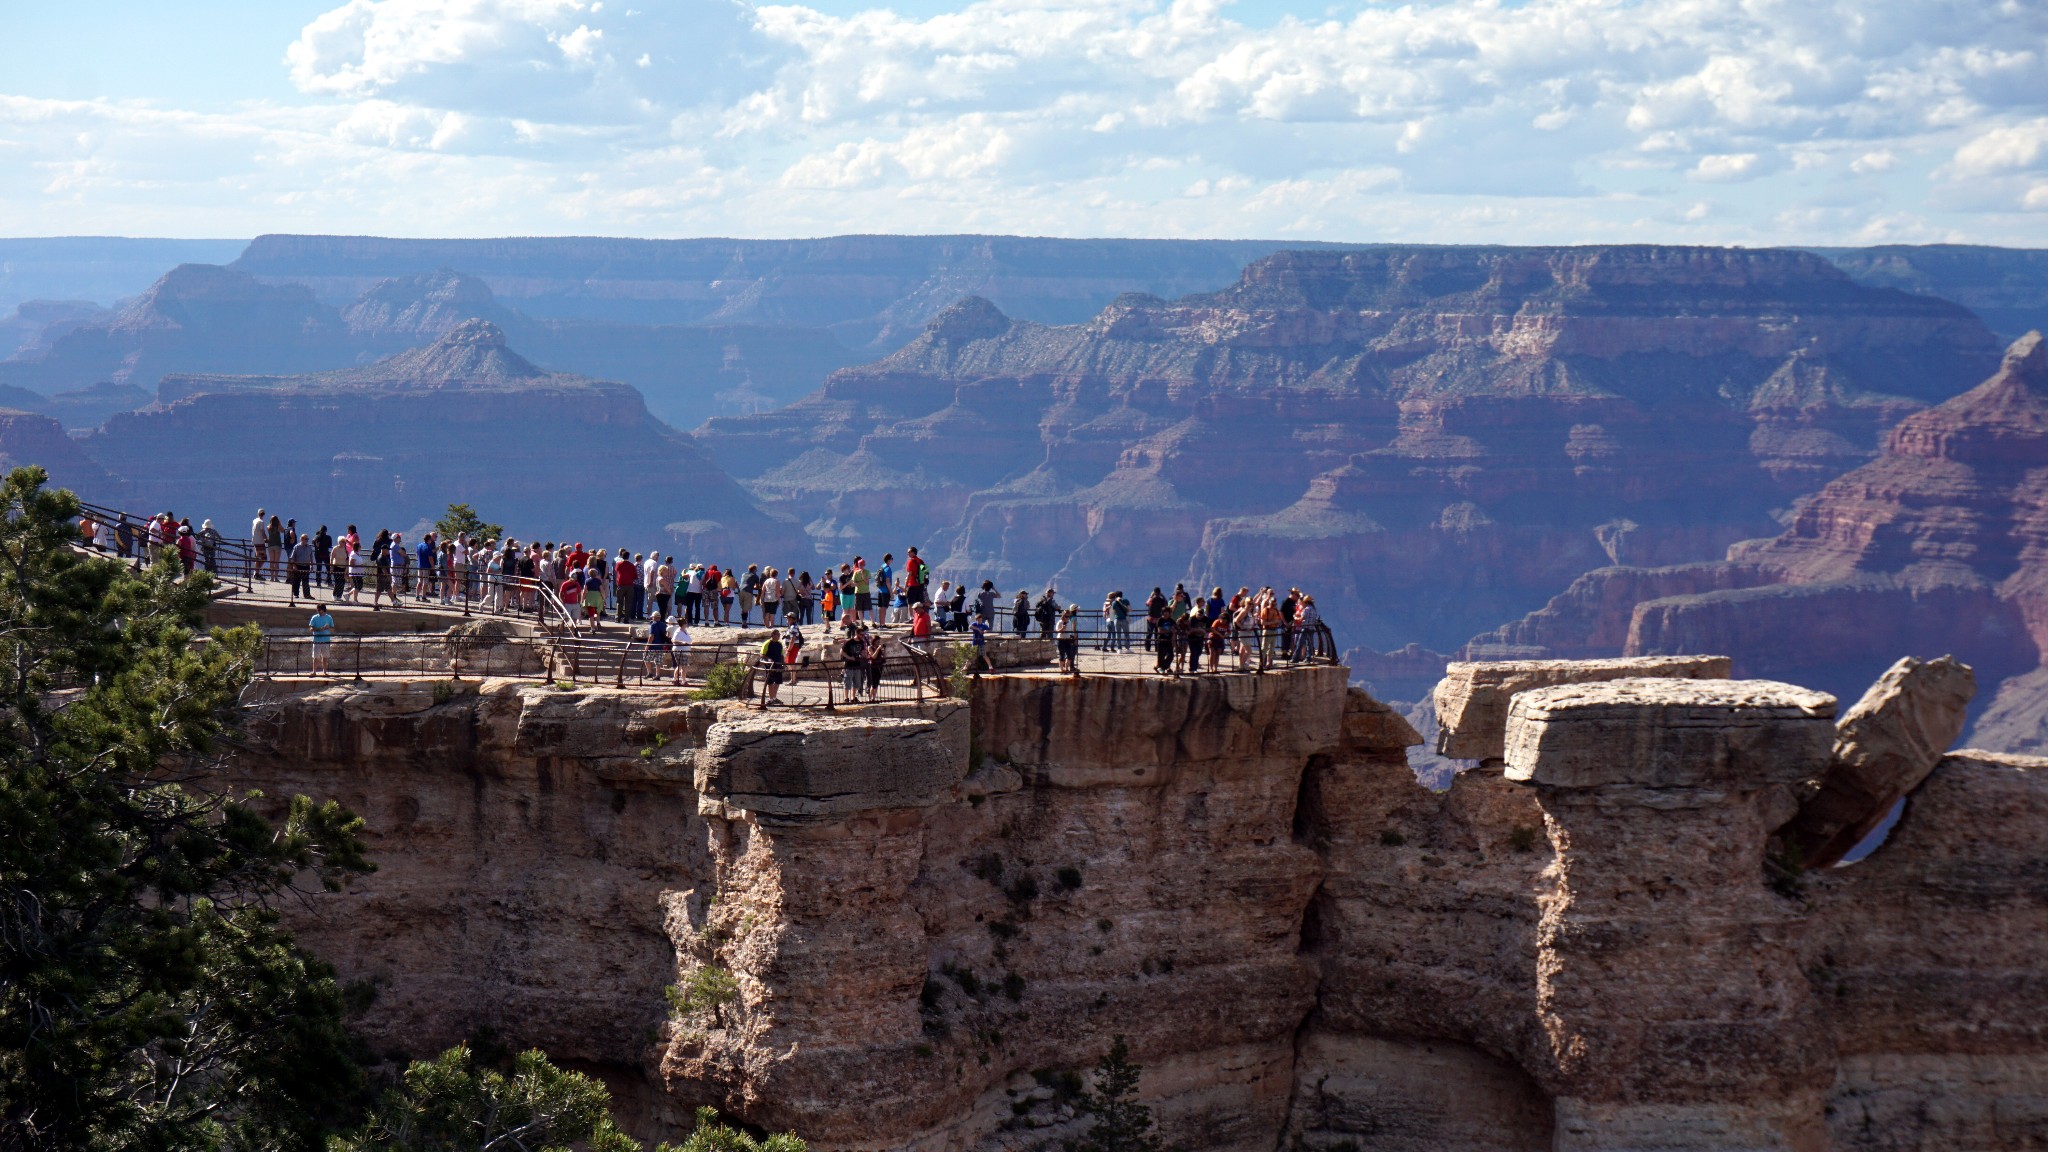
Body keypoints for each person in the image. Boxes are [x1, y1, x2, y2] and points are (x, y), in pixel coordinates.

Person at [759, 628, 785, 705]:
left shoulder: (779, 644)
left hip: (778, 665)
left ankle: (774, 697)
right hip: (769, 666)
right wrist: (768, 659)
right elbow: (762, 654)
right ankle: (771, 699)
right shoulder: (767, 643)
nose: (779, 636)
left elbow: (781, 655)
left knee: (777, 681)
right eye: (777, 634)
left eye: (779, 635)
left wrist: (782, 663)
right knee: (770, 682)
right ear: (772, 635)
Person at [308, 604, 335, 674]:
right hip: (317, 640)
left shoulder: (329, 617)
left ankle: (325, 672)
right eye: (317, 610)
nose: (318, 611)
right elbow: (311, 628)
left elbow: (333, 629)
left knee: (325, 657)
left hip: (326, 640)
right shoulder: (314, 617)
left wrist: (328, 627)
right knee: (315, 657)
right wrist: (319, 629)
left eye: (319, 610)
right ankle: (314, 672)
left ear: (323, 610)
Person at [840, 627, 866, 701]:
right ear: (857, 634)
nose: (862, 636)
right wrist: (849, 657)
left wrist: (863, 654)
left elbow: (860, 651)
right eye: (861, 635)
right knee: (847, 682)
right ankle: (846, 698)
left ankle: (853, 697)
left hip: (857, 664)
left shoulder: (861, 642)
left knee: (856, 682)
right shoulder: (849, 642)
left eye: (863, 635)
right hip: (849, 665)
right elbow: (841, 651)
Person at [1056, 604, 1080, 674]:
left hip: (1068, 639)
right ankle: (1062, 669)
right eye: (1066, 616)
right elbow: (1057, 630)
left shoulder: (1069, 622)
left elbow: (1071, 630)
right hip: (1061, 639)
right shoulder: (1060, 622)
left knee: (1070, 655)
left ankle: (1066, 668)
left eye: (1068, 616)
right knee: (1062, 655)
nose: (1067, 617)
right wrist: (1063, 628)